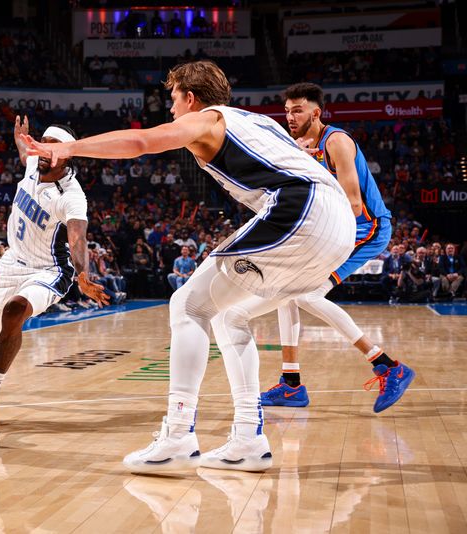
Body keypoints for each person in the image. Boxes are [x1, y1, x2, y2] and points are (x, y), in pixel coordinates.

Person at [24, 60, 356, 473]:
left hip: (303, 211)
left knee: (188, 305)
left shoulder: (207, 120)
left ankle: (179, 434)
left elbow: (142, 142)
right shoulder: (257, 121)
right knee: (229, 314)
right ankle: (248, 439)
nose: (171, 110)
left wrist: (69, 147)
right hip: (339, 227)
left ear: (191, 98)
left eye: (173, 99)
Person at [261, 83, 415, 412]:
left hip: (366, 228)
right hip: (337, 227)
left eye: (297, 109)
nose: (290, 116)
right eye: (287, 110)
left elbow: (355, 205)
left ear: (316, 113)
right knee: (285, 289)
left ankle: (389, 366)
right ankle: (290, 384)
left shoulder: (337, 141)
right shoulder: (301, 146)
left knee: (305, 295)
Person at [0, 117, 108, 423]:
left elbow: (78, 236)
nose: (43, 150)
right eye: (42, 144)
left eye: (52, 147)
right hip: (13, 261)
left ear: (67, 155)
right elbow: (25, 154)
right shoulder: (34, 163)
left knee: (13, 311)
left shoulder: (71, 196)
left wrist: (82, 274)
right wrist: (20, 139)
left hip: (49, 269)